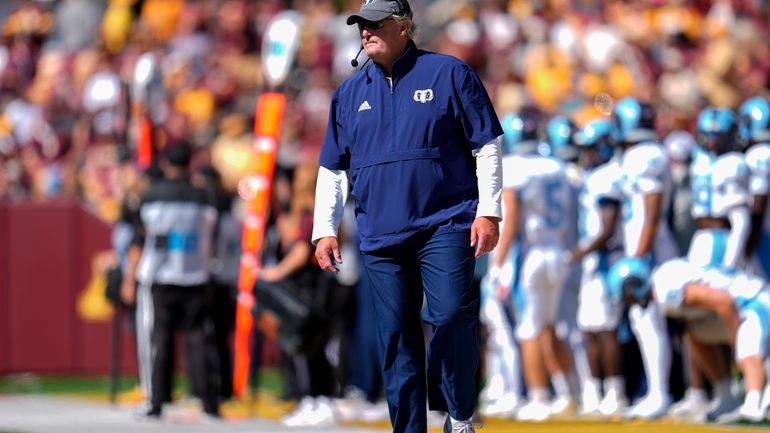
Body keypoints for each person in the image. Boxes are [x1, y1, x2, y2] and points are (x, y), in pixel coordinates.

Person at [312, 0, 504, 431]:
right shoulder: (348, 93)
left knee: (452, 314)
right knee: (396, 339)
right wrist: (324, 228)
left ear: (403, 26)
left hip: (446, 223)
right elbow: (331, 167)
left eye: (376, 24)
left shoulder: (450, 73)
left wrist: (489, 211)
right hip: (380, 234)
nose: (366, 32)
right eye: (362, 25)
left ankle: (458, 414)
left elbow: (487, 144)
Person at [121, 143, 220, 419]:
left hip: (160, 276)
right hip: (195, 273)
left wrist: (130, 277)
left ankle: (157, 400)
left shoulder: (151, 196)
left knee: (159, 340)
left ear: (166, 164)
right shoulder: (204, 196)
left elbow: (139, 240)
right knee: (198, 339)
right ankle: (207, 400)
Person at [608, 256, 770, 423]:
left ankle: (753, 405)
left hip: (754, 301)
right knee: (694, 333)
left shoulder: (665, 289)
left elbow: (725, 303)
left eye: (627, 297)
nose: (629, 302)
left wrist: (736, 348)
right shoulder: (663, 283)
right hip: (740, 306)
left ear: (633, 286)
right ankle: (726, 396)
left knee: (746, 350)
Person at [570, 119, 627, 416]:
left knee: (606, 329)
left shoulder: (608, 176)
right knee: (589, 328)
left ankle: (615, 392)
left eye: (590, 148)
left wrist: (580, 252)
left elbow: (607, 228)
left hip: (607, 259)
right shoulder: (595, 175)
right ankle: (595, 392)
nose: (585, 154)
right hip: (595, 259)